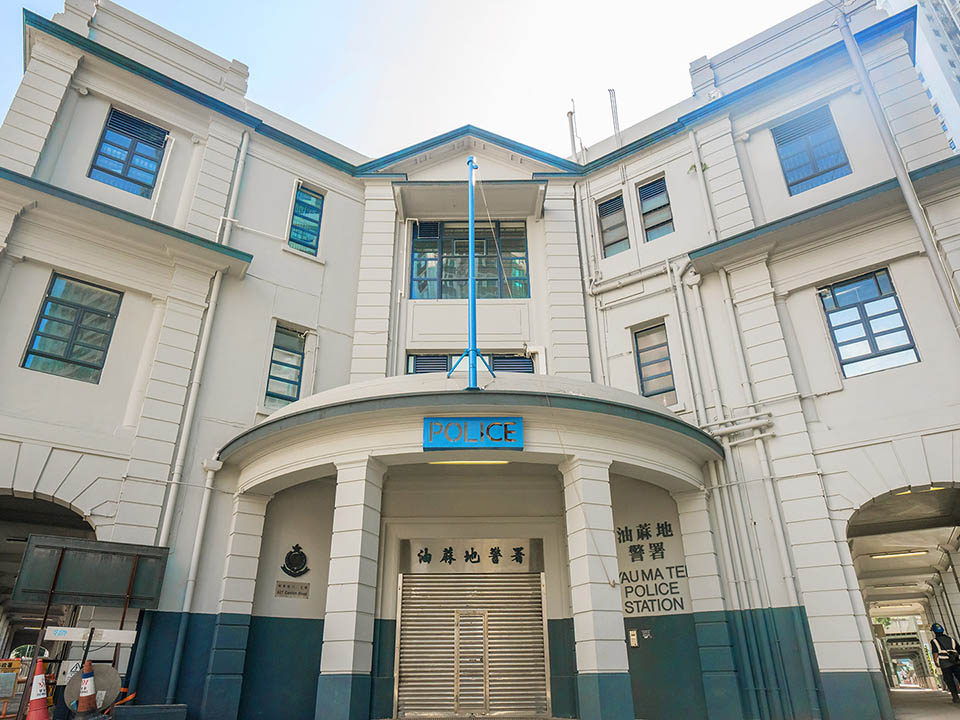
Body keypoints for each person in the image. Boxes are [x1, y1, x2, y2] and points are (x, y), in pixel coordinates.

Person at [930, 622, 960, 703]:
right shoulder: (952, 639)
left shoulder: (934, 641)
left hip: (945, 663)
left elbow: (935, 652)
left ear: (934, 632)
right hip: (956, 661)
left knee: (949, 680)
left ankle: (955, 696)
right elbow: (959, 650)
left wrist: (936, 662)